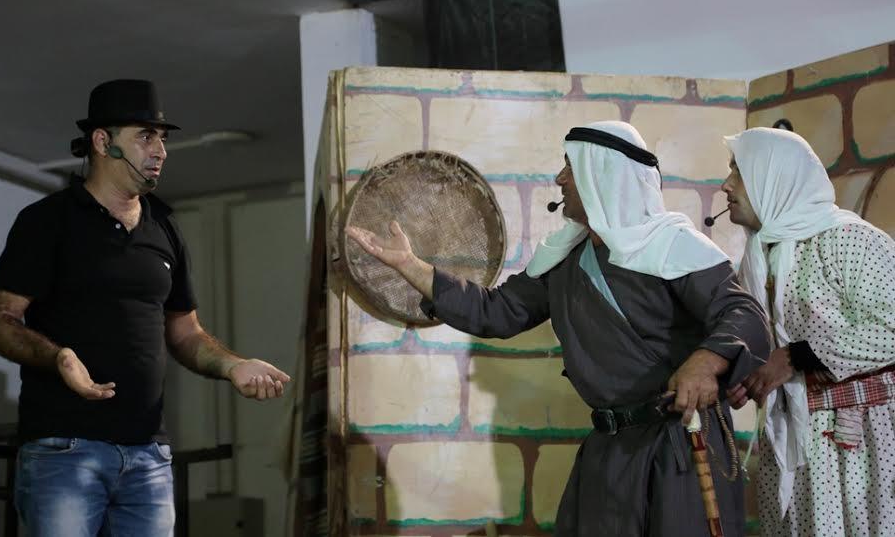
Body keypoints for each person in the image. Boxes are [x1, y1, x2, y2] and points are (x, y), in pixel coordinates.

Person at [346, 120, 770, 536]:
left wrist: (705, 362)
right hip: (611, 449)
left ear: (602, 176)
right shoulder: (565, 258)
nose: (560, 178)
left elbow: (744, 315)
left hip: (679, 445)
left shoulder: (675, 246)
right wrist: (410, 266)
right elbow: (496, 312)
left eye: (571, 166)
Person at [0, 79, 291, 536]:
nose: (160, 150)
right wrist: (58, 357)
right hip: (65, 450)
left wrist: (234, 366)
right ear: (103, 142)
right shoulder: (47, 221)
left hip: (148, 455)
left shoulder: (164, 226)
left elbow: (185, 332)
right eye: (145, 136)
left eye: (162, 138)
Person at [721, 127, 895, 537]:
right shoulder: (757, 259)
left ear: (774, 177)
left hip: (862, 442)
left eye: (738, 172)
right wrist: (750, 376)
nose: (726, 185)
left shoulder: (849, 240)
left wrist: (795, 358)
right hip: (795, 441)